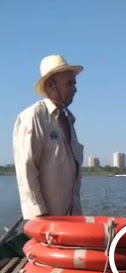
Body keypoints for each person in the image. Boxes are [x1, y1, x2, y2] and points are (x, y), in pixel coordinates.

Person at [13, 55, 84, 219]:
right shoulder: (34, 117)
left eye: (74, 83)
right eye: (70, 83)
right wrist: (39, 217)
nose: (75, 89)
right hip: (47, 224)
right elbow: (26, 169)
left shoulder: (68, 121)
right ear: (51, 86)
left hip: (71, 220)